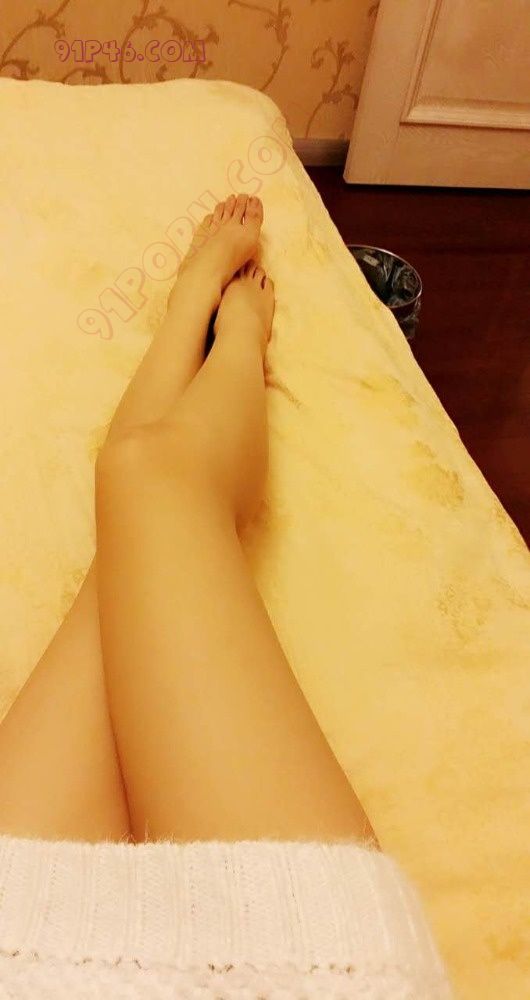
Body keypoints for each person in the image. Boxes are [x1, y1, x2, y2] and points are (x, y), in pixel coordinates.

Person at [0, 194, 453, 998]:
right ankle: (238, 337)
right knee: (146, 482)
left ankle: (190, 316)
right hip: (284, 965)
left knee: (127, 541)